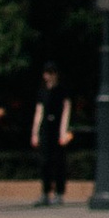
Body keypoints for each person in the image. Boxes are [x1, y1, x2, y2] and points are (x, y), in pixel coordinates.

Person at [30, 64, 75, 205]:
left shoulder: (62, 91)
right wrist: (35, 133)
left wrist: (64, 132)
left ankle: (59, 193)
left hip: (58, 129)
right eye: (47, 73)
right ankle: (45, 192)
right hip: (45, 129)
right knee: (45, 162)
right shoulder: (42, 91)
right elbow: (39, 112)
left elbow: (66, 111)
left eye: (52, 73)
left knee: (59, 162)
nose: (49, 76)